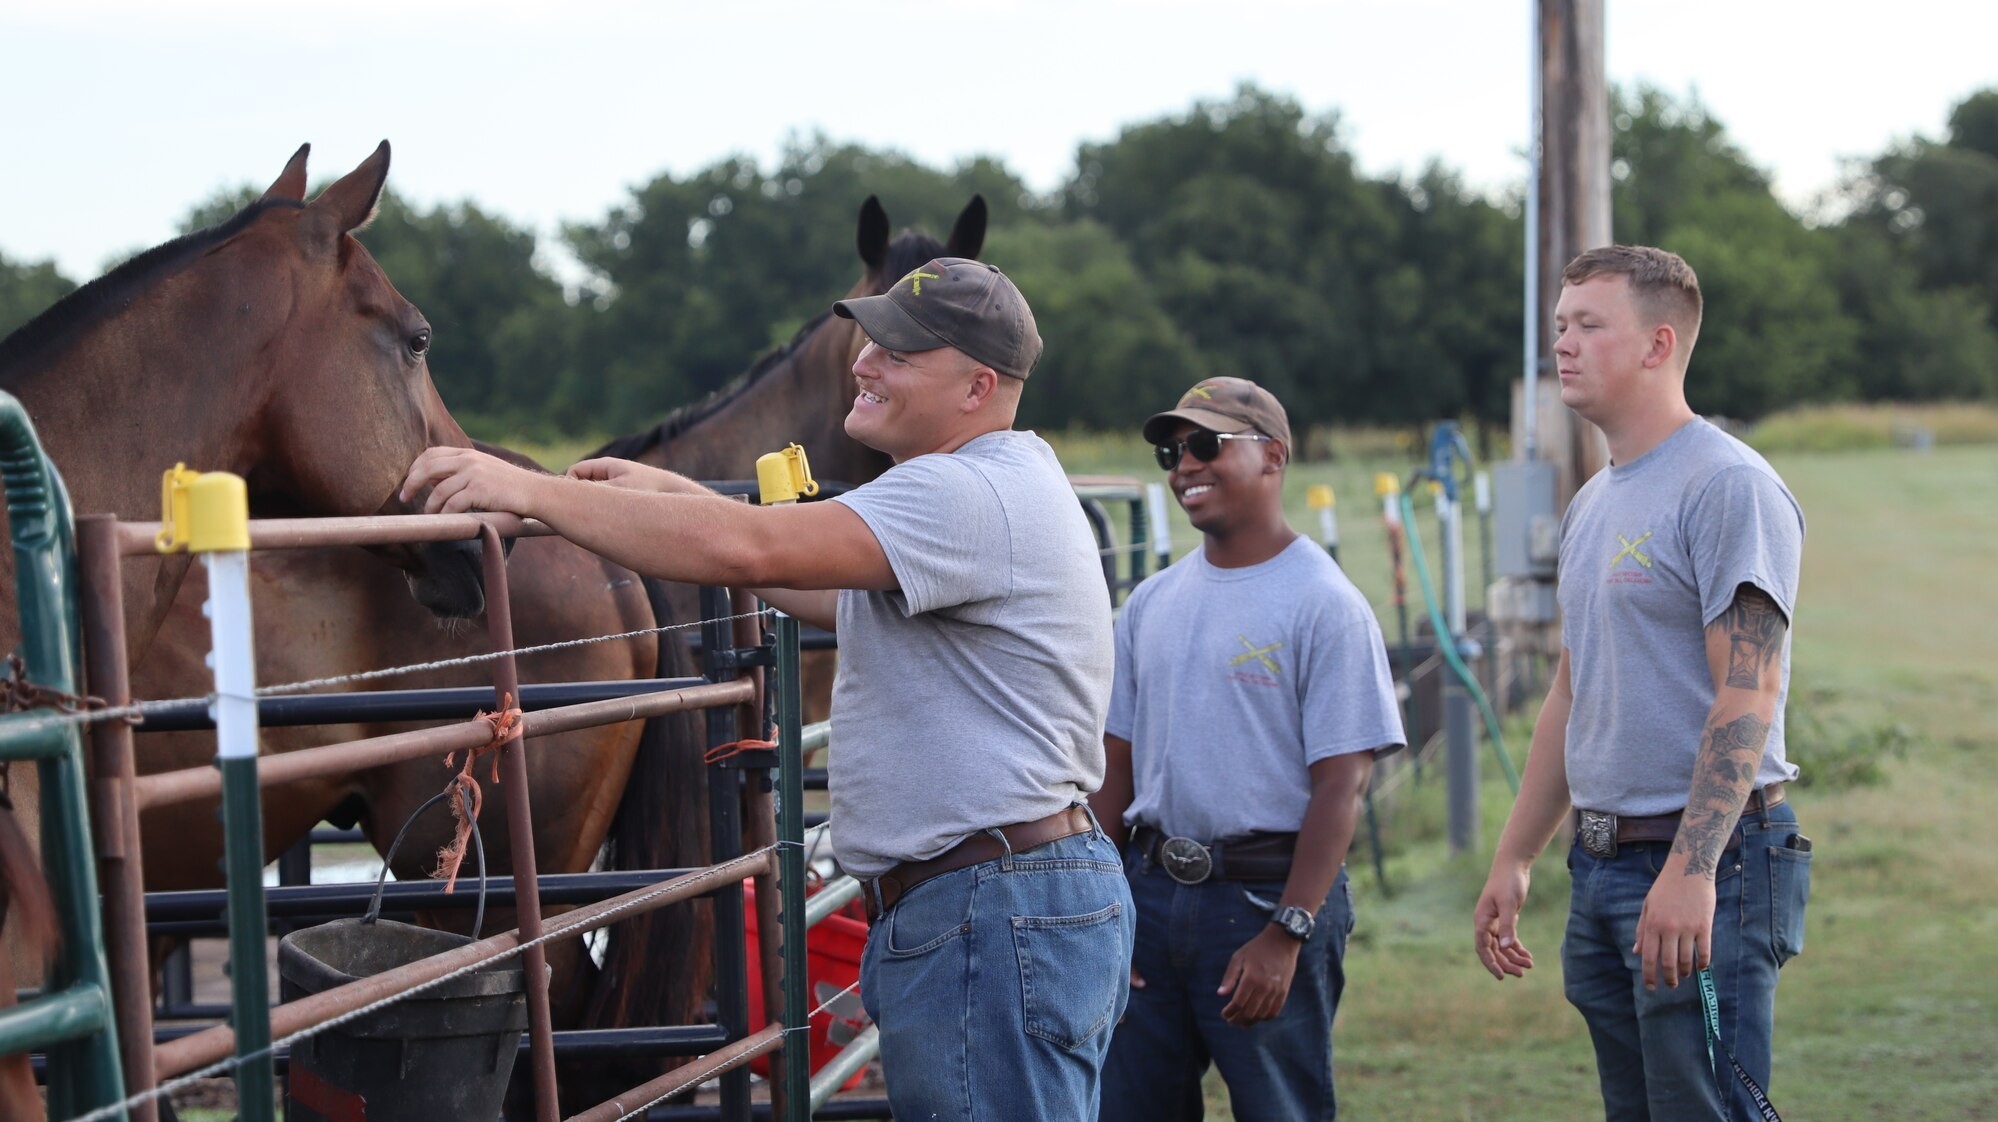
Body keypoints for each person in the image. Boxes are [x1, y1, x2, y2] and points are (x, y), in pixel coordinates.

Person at [401, 257, 1135, 1122]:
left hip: (990, 907)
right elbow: (812, 584)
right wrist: (672, 494)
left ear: (978, 386)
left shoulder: (962, 493)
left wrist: (524, 491)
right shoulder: (995, 481)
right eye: (872, 340)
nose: (863, 362)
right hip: (1000, 897)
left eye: (900, 352)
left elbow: (751, 553)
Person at [1473, 245, 1811, 1121]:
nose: (1564, 345)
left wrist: (1691, 868)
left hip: (1711, 866)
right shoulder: (1595, 502)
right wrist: (1516, 855)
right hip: (1602, 866)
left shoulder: (1727, 485)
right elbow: (1571, 693)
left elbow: (1748, 692)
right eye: (1559, 326)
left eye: (1590, 325)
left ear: (1660, 344)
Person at [1090, 378, 1405, 1122]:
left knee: (1280, 1109)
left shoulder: (1323, 603)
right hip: (1150, 895)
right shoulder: (1150, 603)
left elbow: (1340, 787)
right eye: (1173, 451)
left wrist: (1287, 930)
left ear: (1272, 456)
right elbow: (1115, 763)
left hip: (1264, 899)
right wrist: (1107, 911)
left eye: (1206, 446)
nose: (1183, 467)